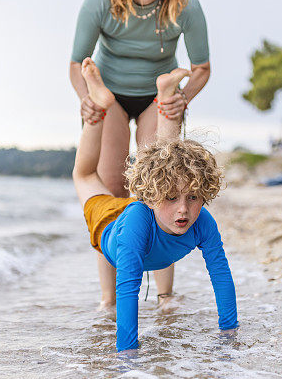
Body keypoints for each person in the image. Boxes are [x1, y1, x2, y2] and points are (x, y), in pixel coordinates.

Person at [70, 0, 212, 308]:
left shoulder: (184, 3)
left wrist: (183, 97)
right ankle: (109, 301)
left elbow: (201, 67)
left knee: (161, 187)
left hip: (158, 95)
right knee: (112, 189)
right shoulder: (100, 0)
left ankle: (165, 297)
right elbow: (76, 63)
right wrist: (88, 99)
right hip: (109, 95)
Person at [72, 57, 237, 351]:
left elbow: (220, 274)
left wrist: (230, 333)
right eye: (172, 199)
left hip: (144, 209)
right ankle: (97, 106)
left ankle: (165, 99)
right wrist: (128, 356)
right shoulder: (138, 221)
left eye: (193, 197)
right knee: (84, 174)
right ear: (151, 197)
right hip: (110, 224)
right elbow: (128, 289)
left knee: (170, 163)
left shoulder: (202, 221)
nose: (183, 209)